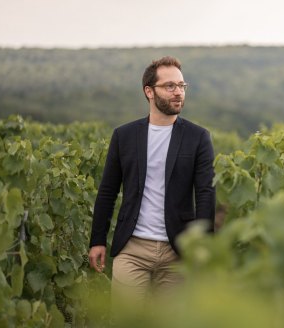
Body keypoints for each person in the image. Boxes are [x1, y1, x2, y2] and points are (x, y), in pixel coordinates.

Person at [88, 56, 215, 307]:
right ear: (149, 91)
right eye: (170, 86)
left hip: (177, 251)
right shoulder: (124, 136)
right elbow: (107, 192)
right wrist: (97, 240)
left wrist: (203, 247)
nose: (178, 92)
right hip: (132, 249)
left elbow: (205, 194)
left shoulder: (198, 137)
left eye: (181, 86)